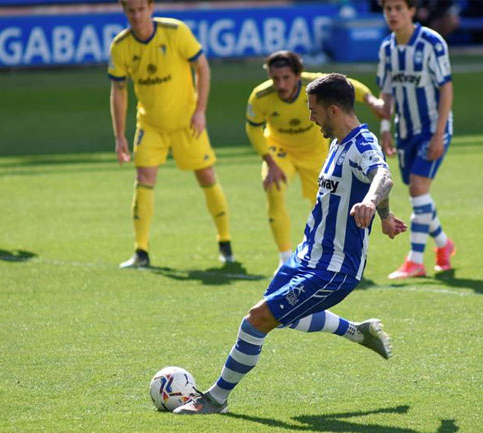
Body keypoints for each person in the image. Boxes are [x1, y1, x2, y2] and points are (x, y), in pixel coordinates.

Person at [173, 73, 408, 415]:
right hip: (306, 256)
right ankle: (358, 332)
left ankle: (215, 399)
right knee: (285, 317)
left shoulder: (362, 145)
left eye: (314, 111)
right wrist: (384, 216)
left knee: (256, 320)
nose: (310, 117)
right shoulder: (338, 143)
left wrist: (372, 203)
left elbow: (382, 176)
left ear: (333, 110)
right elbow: (372, 180)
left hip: (333, 269)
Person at [108, 0, 233, 268]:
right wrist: (119, 135)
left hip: (187, 123)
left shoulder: (175, 32)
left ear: (151, 8)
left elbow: (203, 67)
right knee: (143, 178)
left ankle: (225, 242)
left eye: (141, 9)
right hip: (150, 125)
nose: (137, 16)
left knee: (206, 175)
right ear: (124, 11)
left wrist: (200, 110)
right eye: (131, 10)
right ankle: (141, 251)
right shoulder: (120, 46)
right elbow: (118, 90)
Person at [246, 50, 387, 270]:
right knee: (274, 190)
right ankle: (284, 258)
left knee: (327, 203)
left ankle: (331, 255)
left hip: (314, 152)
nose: (281, 84)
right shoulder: (260, 96)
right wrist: (269, 162)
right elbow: (253, 129)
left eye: (286, 77)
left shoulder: (314, 86)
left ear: (298, 75)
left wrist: (371, 100)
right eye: (275, 79)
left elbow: (347, 85)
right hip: (280, 150)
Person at [376, 0, 456, 279]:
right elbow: (386, 92)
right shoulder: (387, 48)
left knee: (418, 189)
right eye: (388, 9)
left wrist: (438, 134)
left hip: (433, 127)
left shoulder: (432, 43)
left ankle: (415, 261)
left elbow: (446, 88)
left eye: (398, 8)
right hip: (405, 131)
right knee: (418, 193)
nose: (393, 14)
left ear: (411, 11)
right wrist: (385, 128)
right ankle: (444, 245)